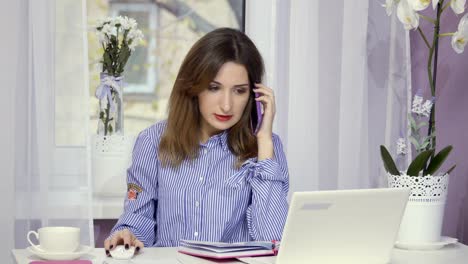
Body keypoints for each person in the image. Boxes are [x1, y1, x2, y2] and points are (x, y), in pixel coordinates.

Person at [104, 27, 289, 256]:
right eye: (214, 88)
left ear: (253, 95)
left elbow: (274, 241)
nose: (227, 105)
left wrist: (264, 141)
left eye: (239, 91)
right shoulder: (152, 141)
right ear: (194, 88)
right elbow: (137, 217)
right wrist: (127, 234)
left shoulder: (266, 148)